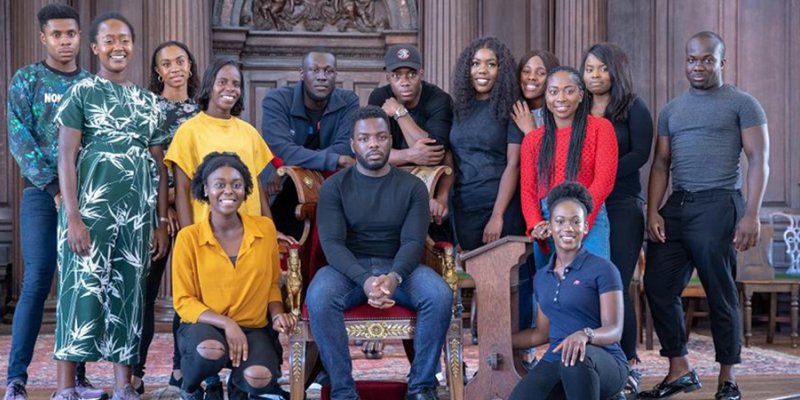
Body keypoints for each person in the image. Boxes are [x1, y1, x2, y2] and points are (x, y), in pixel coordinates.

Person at [640, 31, 769, 400]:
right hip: (678, 206)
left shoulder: (742, 104)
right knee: (658, 287)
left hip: (719, 202)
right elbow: (661, 164)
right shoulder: (672, 110)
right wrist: (653, 212)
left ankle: (728, 378)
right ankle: (679, 369)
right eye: (692, 59)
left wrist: (752, 214)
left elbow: (759, 159)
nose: (699, 66)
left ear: (721, 63)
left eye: (707, 59)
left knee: (720, 292)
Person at [53, 12, 170, 400]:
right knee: (80, 289)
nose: (117, 47)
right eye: (109, 41)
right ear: (95, 48)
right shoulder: (81, 93)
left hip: (137, 214)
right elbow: (66, 157)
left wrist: (159, 220)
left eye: (124, 40)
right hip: (90, 211)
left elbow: (158, 165)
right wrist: (72, 217)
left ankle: (123, 386)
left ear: (133, 46)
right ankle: (66, 387)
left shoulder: (150, 102)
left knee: (129, 293)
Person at [306, 106, 452, 400]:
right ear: (353, 144)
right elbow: (332, 244)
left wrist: (394, 277)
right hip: (348, 269)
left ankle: (421, 386)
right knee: (319, 295)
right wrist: (365, 280)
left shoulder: (413, 187)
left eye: (381, 137)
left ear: (390, 141)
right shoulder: (334, 187)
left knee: (439, 294)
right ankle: (344, 391)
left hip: (400, 267)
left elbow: (413, 242)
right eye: (365, 138)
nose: (373, 144)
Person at [4, 5, 105, 400]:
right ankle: (17, 379)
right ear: (43, 37)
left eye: (72, 34)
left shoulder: (91, 84)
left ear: (81, 38)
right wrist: (55, 190)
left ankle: (77, 377)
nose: (66, 41)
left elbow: (97, 144)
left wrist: (81, 194)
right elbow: (20, 139)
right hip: (41, 198)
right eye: (57, 35)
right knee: (38, 279)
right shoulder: (27, 79)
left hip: (84, 198)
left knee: (79, 283)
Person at [171, 152, 295, 400]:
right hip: (205, 326)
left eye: (236, 185)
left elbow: (271, 285)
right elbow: (184, 301)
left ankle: (239, 386)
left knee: (259, 378)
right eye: (220, 185)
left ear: (245, 190)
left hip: (253, 326)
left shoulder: (265, 229)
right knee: (209, 351)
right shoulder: (189, 237)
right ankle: (192, 386)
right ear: (206, 189)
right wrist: (227, 324)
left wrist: (277, 314)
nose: (229, 191)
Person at [581, 42, 653, 397]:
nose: (595, 75)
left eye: (602, 69)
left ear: (616, 71)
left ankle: (629, 363)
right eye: (589, 68)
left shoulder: (633, 107)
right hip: (584, 209)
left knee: (616, 284)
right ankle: (596, 361)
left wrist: (603, 176)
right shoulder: (577, 107)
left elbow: (642, 152)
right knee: (589, 285)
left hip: (622, 204)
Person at [510, 182, 626, 400]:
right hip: (557, 360)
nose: (568, 228)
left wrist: (585, 335)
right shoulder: (542, 277)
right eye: (560, 221)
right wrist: (501, 341)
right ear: (550, 227)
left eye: (576, 222)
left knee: (576, 358)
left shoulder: (603, 269)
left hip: (603, 361)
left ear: (585, 227)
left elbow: (614, 330)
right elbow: (541, 333)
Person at [131, 40, 200, 395]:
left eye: (180, 61)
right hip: (155, 215)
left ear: (190, 65)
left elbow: (207, 165)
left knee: (190, 294)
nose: (174, 68)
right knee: (145, 291)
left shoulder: (203, 112)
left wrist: (180, 201)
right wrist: (166, 206)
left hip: (198, 212)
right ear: (157, 72)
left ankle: (181, 369)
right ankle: (135, 371)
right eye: (166, 63)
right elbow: (146, 164)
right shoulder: (146, 108)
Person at [520, 66, 618, 270]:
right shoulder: (533, 141)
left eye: (569, 90)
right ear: (546, 96)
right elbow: (528, 191)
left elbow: (604, 181)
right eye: (553, 91)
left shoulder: (601, 128)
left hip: (589, 214)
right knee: (550, 291)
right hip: (549, 220)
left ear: (581, 95)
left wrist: (578, 219)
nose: (561, 98)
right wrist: (536, 224)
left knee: (592, 282)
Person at [261, 49, 359, 239]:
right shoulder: (277, 100)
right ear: (302, 74)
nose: (322, 77)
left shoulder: (348, 101)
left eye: (328, 71)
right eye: (314, 70)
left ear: (335, 75)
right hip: (280, 189)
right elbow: (281, 149)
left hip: (328, 190)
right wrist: (334, 159)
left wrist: (293, 163)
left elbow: (346, 147)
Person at [368, 44, 454, 239]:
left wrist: (400, 113)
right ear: (388, 77)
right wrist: (409, 155)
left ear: (421, 74)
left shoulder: (438, 99)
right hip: (389, 186)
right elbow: (370, 153)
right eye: (397, 76)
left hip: (432, 187)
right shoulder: (379, 97)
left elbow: (435, 153)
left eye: (411, 74)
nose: (405, 82)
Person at [511, 49, 561, 134]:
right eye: (526, 71)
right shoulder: (512, 110)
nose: (532, 77)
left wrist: (529, 130)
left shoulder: (559, 114)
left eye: (541, 73)